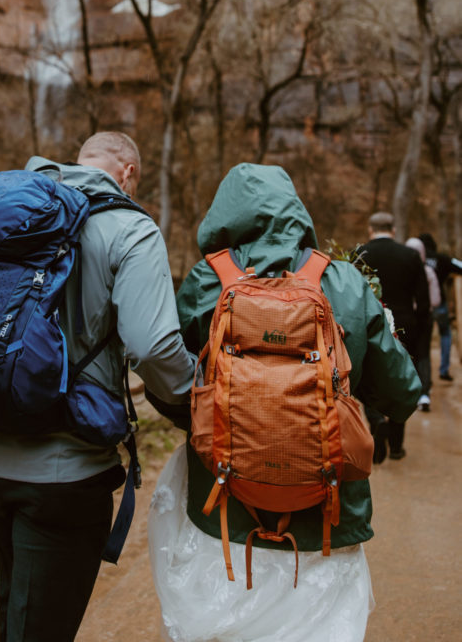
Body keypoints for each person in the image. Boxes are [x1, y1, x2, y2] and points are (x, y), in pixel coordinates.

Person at [147, 165, 421, 642]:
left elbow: (167, 376)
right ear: (296, 211)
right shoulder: (343, 282)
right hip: (325, 523)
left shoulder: (205, 282)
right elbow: (402, 392)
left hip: (224, 514)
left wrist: (205, 417)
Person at [0, 131, 196, 642]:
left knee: (15, 611)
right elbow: (153, 348)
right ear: (129, 171)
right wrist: (194, 396)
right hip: (65, 468)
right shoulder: (129, 227)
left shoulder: (10, 208)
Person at [358, 212, 429, 429]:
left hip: (369, 322)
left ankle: (375, 417)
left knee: (368, 371)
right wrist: (420, 327)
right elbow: (423, 299)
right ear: (394, 230)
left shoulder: (359, 254)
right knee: (402, 378)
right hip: (406, 323)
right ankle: (397, 441)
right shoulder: (410, 256)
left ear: (370, 230)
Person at [419, 232, 461, 382]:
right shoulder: (441, 259)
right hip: (440, 304)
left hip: (422, 306)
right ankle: (444, 369)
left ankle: (423, 378)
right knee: (445, 334)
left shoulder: (415, 258)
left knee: (423, 341)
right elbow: (459, 266)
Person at [405, 237, 439, 406]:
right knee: (423, 353)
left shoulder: (402, 270)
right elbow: (435, 299)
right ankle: (424, 391)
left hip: (407, 317)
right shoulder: (428, 271)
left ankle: (411, 388)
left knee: (410, 353)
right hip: (424, 317)